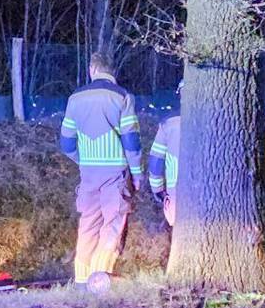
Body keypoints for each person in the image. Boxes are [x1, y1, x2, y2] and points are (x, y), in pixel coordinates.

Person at [59, 52, 143, 288]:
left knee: (88, 223)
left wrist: (83, 160)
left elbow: (66, 143)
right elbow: (131, 141)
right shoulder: (122, 96)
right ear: (112, 71)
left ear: (92, 70)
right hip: (115, 173)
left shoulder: (75, 98)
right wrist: (137, 173)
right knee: (113, 224)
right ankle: (100, 280)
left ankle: (81, 280)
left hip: (88, 174)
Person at [149, 82, 182, 227]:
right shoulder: (213, 122)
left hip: (175, 192)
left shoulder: (168, 124)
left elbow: (156, 160)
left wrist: (157, 189)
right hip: (207, 193)